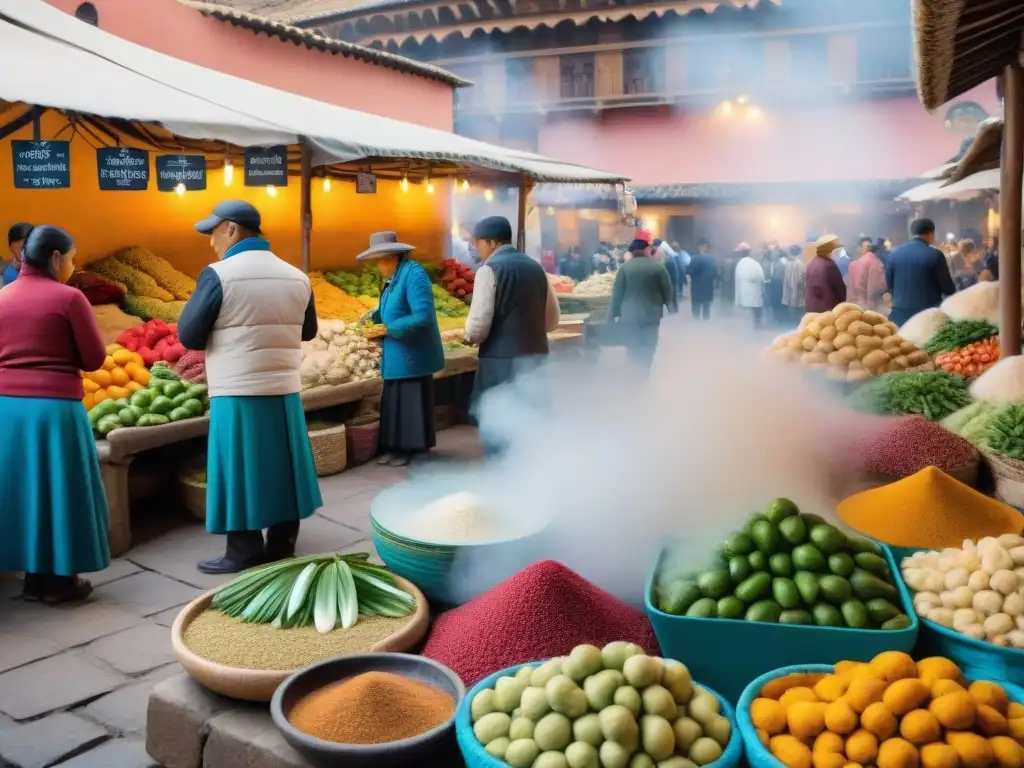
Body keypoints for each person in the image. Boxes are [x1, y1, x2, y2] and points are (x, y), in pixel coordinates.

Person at [179, 200, 322, 574]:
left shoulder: (218, 274)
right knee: (283, 467)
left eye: (213, 231)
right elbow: (308, 332)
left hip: (237, 388)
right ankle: (281, 543)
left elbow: (189, 334)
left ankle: (242, 551)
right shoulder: (297, 276)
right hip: (284, 385)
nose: (211, 241)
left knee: (239, 469)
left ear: (231, 229)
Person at [0, 225, 109, 602]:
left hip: (9, 413)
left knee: (26, 493)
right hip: (57, 410)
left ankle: (33, 579)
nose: (73, 266)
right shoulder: (69, 298)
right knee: (63, 492)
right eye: (73, 258)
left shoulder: (2, 297)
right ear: (57, 258)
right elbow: (95, 359)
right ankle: (61, 582)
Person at [358, 232, 444, 468]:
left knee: (409, 402)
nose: (378, 265)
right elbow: (387, 307)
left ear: (393, 256)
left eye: (380, 259)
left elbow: (423, 316)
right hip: (396, 353)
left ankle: (410, 449)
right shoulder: (393, 277)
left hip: (412, 354)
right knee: (395, 402)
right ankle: (396, 448)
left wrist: (388, 328)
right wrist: (374, 318)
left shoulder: (414, 274)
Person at [464, 215, 560, 406]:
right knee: (532, 417)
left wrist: (468, 337)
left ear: (491, 243)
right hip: (536, 357)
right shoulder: (536, 268)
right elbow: (552, 320)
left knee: (501, 421)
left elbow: (478, 325)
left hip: (501, 362)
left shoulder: (488, 270)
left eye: (478, 243)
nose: (476, 249)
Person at [610, 238, 676, 371]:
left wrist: (614, 313)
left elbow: (617, 293)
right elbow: (667, 290)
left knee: (633, 346)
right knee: (648, 346)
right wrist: (671, 308)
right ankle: (644, 371)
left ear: (632, 252)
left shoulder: (624, 268)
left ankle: (634, 373)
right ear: (646, 250)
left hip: (629, 316)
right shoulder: (658, 267)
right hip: (651, 316)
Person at [885, 218, 956, 327]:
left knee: (901, 343)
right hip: (927, 315)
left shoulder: (894, 254)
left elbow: (889, 284)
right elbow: (948, 288)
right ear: (930, 233)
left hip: (899, 313)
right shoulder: (935, 254)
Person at [804, 234, 847, 313]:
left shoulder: (812, 263)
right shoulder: (829, 266)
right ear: (830, 249)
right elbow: (840, 291)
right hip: (827, 311)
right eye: (837, 249)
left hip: (812, 309)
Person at [847, 243, 887, 313]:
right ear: (877, 251)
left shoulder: (854, 264)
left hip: (855, 306)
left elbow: (850, 287)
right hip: (870, 307)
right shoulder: (876, 263)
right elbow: (876, 288)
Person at [734, 244, 766, 327]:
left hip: (743, 294)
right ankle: (757, 324)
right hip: (755, 292)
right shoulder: (754, 263)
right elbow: (761, 277)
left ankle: (751, 327)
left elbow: (738, 280)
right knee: (756, 309)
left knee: (747, 311)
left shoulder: (739, 264)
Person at [687, 239, 716, 320]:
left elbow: (689, 271)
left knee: (696, 306)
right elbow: (715, 273)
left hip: (696, 287)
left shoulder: (694, 258)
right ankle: (705, 323)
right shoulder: (711, 259)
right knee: (706, 306)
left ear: (699, 248)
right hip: (708, 287)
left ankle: (697, 324)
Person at [782, 244, 806, 323]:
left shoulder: (788, 263)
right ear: (799, 252)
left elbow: (785, 277)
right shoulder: (800, 263)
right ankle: (797, 322)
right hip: (798, 289)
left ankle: (791, 321)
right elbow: (801, 277)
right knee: (798, 306)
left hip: (789, 288)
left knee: (791, 305)